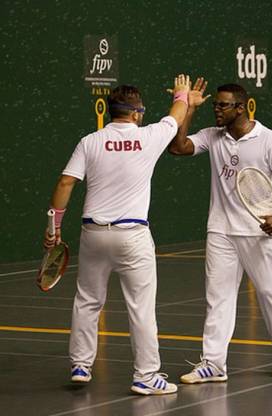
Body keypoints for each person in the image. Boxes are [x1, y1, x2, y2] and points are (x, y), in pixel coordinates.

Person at [43, 75, 191, 395]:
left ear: (111, 111)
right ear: (137, 113)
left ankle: (81, 365)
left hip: (93, 234)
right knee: (141, 307)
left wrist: (53, 229)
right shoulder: (151, 135)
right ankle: (146, 376)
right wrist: (182, 92)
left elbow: (66, 183)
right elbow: (178, 113)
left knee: (87, 300)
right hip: (132, 236)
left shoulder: (90, 141)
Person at [168, 79, 272, 383]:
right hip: (220, 231)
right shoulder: (213, 137)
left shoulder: (269, 140)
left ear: (241, 107)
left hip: (257, 233)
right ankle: (213, 364)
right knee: (218, 298)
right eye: (214, 105)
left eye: (222, 105)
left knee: (270, 294)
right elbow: (178, 147)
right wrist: (188, 107)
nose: (216, 110)